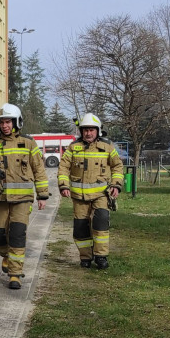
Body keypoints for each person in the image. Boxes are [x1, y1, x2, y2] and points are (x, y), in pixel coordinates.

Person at [0, 103, 50, 289]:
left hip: (22, 200)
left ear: (16, 122)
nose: (4, 126)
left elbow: (38, 169)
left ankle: (15, 274)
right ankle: (8, 257)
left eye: (8, 121)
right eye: (1, 122)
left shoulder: (28, 142)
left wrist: (42, 195)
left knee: (17, 235)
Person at [57, 113, 124, 269]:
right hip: (78, 197)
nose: (88, 133)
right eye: (85, 130)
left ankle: (101, 256)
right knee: (81, 228)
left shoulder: (107, 147)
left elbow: (117, 167)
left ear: (98, 131)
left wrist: (116, 184)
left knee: (101, 224)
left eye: (91, 130)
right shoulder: (73, 148)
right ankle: (86, 256)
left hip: (101, 195)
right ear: (81, 131)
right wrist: (63, 185)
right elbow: (63, 168)